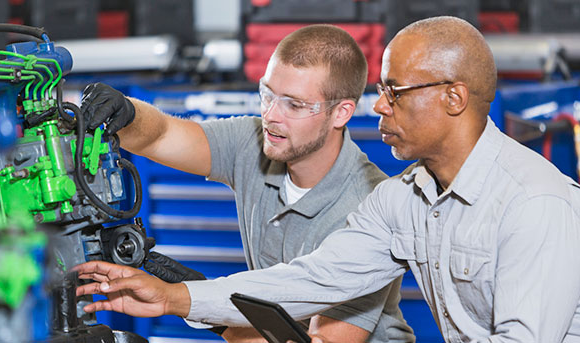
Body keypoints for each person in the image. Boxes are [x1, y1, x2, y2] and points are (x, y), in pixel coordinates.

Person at [76, 16, 580, 342]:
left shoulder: (536, 204)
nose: (378, 105)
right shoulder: (406, 200)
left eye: (396, 91)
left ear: (453, 98)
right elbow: (310, 281)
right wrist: (175, 298)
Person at [78, 25, 413, 343]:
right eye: (267, 94)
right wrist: (127, 113)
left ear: (341, 113)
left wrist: (193, 301)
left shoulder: (369, 207)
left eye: (294, 104)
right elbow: (162, 134)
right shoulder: (255, 141)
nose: (271, 115)